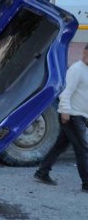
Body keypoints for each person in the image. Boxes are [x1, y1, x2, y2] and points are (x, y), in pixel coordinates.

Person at [34, 44, 88, 191]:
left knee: (60, 146)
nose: (86, 56)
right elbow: (65, 91)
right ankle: (86, 183)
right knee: (83, 149)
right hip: (72, 115)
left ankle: (42, 172)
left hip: (81, 115)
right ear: (84, 52)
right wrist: (65, 110)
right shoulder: (77, 69)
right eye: (86, 53)